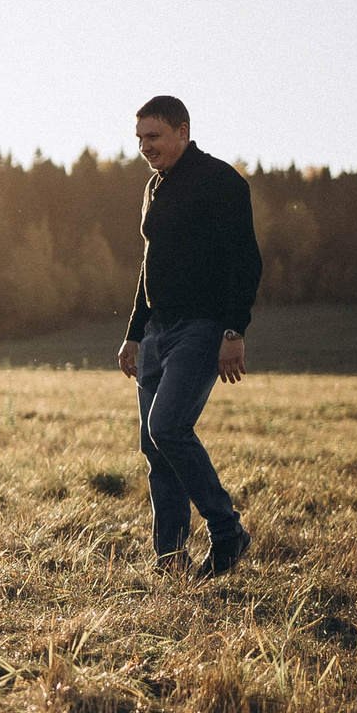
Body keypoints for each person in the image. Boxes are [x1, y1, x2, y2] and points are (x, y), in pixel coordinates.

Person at [116, 95, 261, 579]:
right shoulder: (153, 186)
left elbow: (246, 261)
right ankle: (170, 560)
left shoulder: (221, 182)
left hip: (202, 328)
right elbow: (149, 264)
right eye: (139, 138)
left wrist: (233, 330)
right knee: (154, 447)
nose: (145, 146)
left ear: (183, 131)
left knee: (168, 428)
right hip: (156, 331)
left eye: (153, 136)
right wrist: (134, 333)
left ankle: (227, 532)